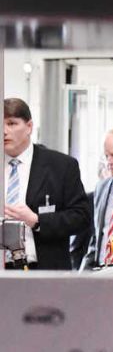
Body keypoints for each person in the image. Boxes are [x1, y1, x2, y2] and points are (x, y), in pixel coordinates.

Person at [3, 97, 91, 270]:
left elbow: (81, 217)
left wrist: (37, 221)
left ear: (29, 127)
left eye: (12, 124)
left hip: (43, 271)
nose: (4, 131)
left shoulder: (61, 166)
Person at [80, 129, 113, 270]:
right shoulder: (101, 188)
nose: (109, 162)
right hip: (99, 269)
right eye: (106, 156)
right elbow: (96, 237)